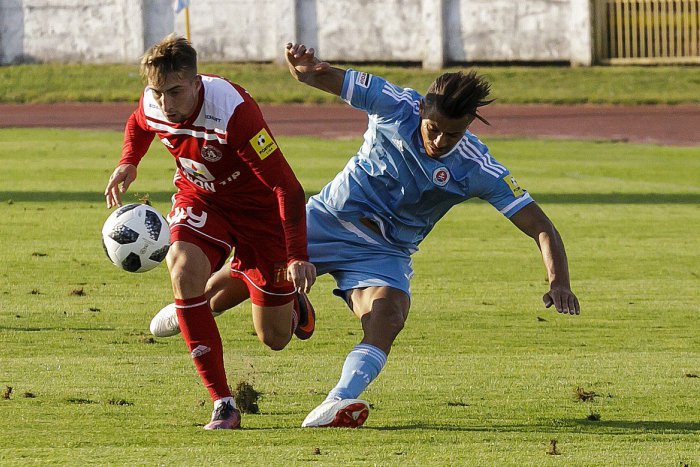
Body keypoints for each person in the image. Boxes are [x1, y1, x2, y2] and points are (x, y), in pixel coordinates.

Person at [149, 42, 581, 428]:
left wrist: (557, 280)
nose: (442, 141)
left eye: (455, 133)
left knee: (389, 316)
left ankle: (340, 400)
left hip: (385, 252)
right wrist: (307, 69)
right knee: (254, 290)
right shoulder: (395, 103)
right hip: (325, 220)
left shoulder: (475, 166)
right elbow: (331, 78)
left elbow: (540, 225)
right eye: (435, 129)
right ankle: (197, 304)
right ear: (423, 110)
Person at [104, 35, 317, 430]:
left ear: (197, 82)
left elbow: (287, 187)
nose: (165, 103)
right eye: (157, 91)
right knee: (182, 269)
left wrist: (296, 256)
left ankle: (278, 298)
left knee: (274, 339)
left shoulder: (234, 111)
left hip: (259, 213)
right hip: (201, 198)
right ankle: (223, 403)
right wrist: (129, 161)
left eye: (175, 91)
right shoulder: (154, 102)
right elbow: (139, 122)